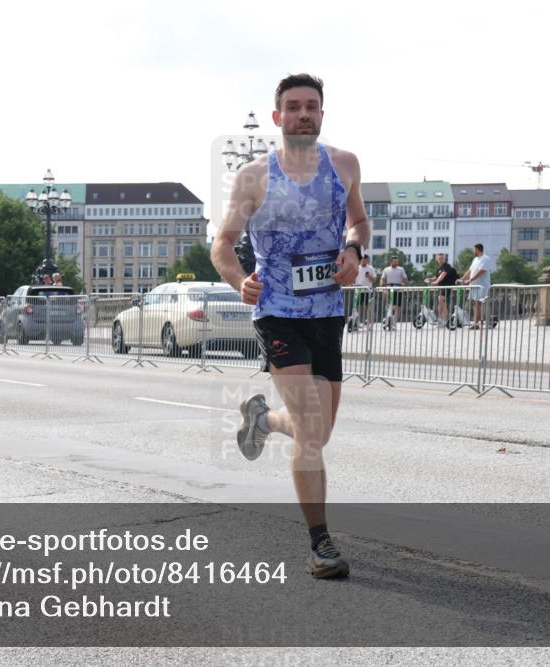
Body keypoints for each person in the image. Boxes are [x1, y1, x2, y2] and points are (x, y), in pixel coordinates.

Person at [211, 73, 369, 579]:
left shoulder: (344, 165)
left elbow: (359, 222)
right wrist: (240, 281)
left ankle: (261, 419)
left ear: (322, 115)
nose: (303, 114)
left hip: (327, 310)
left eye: (312, 106)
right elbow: (223, 243)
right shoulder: (254, 177)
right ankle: (320, 544)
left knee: (316, 431)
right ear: (278, 118)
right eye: (294, 107)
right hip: (278, 311)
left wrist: (353, 248)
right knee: (312, 432)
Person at [462, 243, 492, 328]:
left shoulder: (485, 258)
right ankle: (476, 323)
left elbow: (482, 271)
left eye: (474, 250)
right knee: (476, 304)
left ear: (478, 249)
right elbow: (470, 271)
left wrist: (470, 279)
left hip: (483, 285)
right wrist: (462, 278)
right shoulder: (475, 259)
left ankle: (488, 322)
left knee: (484, 303)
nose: (473, 251)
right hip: (475, 285)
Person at [425, 253, 459, 322]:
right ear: (437, 259)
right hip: (441, 287)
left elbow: (443, 274)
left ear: (445, 259)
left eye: (442, 258)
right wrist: (430, 279)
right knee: (441, 303)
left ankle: (444, 320)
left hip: (446, 286)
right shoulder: (439, 268)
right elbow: (437, 276)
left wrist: (436, 281)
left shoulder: (446, 266)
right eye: (439, 259)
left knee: (442, 301)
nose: (441, 260)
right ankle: (441, 319)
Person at [379, 255, 408, 323]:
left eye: (397, 262)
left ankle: (394, 321)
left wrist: (403, 283)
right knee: (389, 305)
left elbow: (405, 279)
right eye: (394, 262)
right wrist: (382, 286)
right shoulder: (386, 269)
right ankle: (388, 317)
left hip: (398, 289)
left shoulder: (401, 269)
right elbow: (383, 279)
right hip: (389, 289)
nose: (396, 263)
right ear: (391, 262)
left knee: (398, 306)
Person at [354, 254, 378, 329]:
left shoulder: (370, 268)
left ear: (367, 260)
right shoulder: (357, 267)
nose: (363, 260)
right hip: (358, 290)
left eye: (365, 259)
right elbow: (353, 278)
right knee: (357, 307)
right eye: (362, 259)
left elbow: (375, 280)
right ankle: (357, 323)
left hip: (368, 291)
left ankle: (369, 324)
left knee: (369, 308)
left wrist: (369, 276)